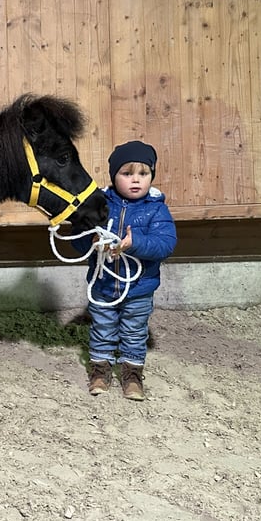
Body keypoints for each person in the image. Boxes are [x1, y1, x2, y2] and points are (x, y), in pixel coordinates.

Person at [72, 140, 177, 400]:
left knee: (134, 330)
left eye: (143, 174)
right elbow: (77, 238)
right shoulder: (100, 205)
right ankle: (100, 370)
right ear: (113, 176)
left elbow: (166, 244)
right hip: (104, 286)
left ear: (152, 176)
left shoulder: (157, 209)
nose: (136, 180)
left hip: (139, 288)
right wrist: (91, 240)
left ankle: (132, 375)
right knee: (102, 328)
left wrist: (135, 243)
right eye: (127, 173)